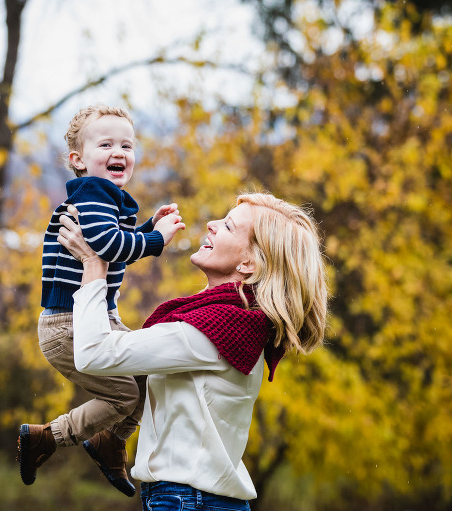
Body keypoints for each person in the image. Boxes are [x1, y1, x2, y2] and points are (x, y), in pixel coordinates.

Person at [56, 192, 328, 509]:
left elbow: (94, 353)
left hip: (188, 501)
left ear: (248, 262)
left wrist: (93, 263)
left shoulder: (218, 330)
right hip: (197, 500)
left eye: (228, 226)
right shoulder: (234, 326)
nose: (212, 224)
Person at [17, 104, 185, 496]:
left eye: (127, 144)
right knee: (125, 393)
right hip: (67, 325)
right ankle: (46, 437)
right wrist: (156, 239)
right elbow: (107, 245)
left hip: (97, 318)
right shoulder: (93, 193)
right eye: (105, 143)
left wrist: (146, 227)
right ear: (77, 159)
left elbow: (109, 243)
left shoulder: (106, 198)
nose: (119, 152)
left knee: (149, 374)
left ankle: (110, 441)